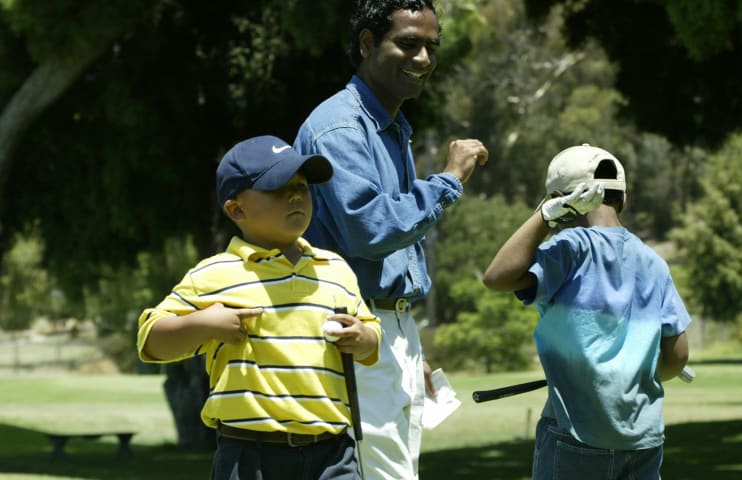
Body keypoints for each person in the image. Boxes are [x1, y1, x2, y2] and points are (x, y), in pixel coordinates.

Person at [294, 1, 488, 478]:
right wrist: (448, 180)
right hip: (352, 332)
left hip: (388, 329)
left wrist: (406, 342)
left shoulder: (390, 126)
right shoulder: (339, 127)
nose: (423, 58)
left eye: (431, 46)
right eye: (408, 43)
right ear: (366, 43)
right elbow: (371, 229)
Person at [137, 135, 381, 480]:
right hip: (250, 456)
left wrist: (364, 337)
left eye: (302, 185)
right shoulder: (214, 274)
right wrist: (203, 324)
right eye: (278, 187)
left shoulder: (336, 269)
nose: (296, 195)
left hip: (333, 454)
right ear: (237, 209)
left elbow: (371, 336)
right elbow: (151, 340)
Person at [482, 144, 691, 479]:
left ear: (560, 200)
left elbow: (496, 277)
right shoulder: (653, 262)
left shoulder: (569, 248)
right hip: (643, 439)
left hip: (575, 434)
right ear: (623, 198)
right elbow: (677, 356)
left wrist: (543, 217)